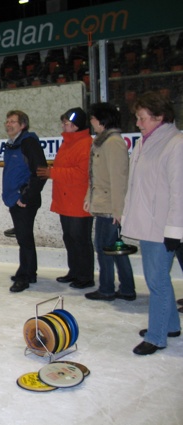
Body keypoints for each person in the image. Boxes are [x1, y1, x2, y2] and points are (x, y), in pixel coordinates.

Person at [121, 91, 183, 355]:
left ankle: (157, 337)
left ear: (160, 117)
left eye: (142, 118)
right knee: (159, 280)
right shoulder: (146, 142)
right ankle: (170, 325)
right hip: (147, 223)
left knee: (156, 282)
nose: (138, 123)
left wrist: (174, 230)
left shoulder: (175, 143)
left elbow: (179, 191)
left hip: (161, 227)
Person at [83, 103, 136, 302]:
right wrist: (89, 197)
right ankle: (127, 289)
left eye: (93, 118)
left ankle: (106, 289)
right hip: (102, 202)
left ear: (101, 120)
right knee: (115, 248)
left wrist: (118, 210)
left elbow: (119, 178)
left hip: (109, 208)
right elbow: (95, 176)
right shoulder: (101, 142)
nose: (91, 122)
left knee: (104, 248)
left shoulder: (113, 142)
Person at [37, 107, 94, 290]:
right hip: (65, 199)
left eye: (67, 123)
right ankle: (75, 271)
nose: (63, 125)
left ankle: (85, 276)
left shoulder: (86, 144)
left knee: (80, 239)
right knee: (69, 238)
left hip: (78, 201)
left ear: (77, 126)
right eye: (63, 122)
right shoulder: (67, 143)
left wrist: (52, 172)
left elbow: (81, 174)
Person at [2, 110, 48, 292]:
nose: (8, 124)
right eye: (7, 121)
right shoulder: (13, 144)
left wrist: (25, 196)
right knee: (24, 237)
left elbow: (41, 172)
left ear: (23, 125)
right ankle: (29, 271)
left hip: (24, 200)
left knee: (24, 238)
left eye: (13, 121)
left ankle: (24, 277)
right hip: (15, 199)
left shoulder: (28, 143)